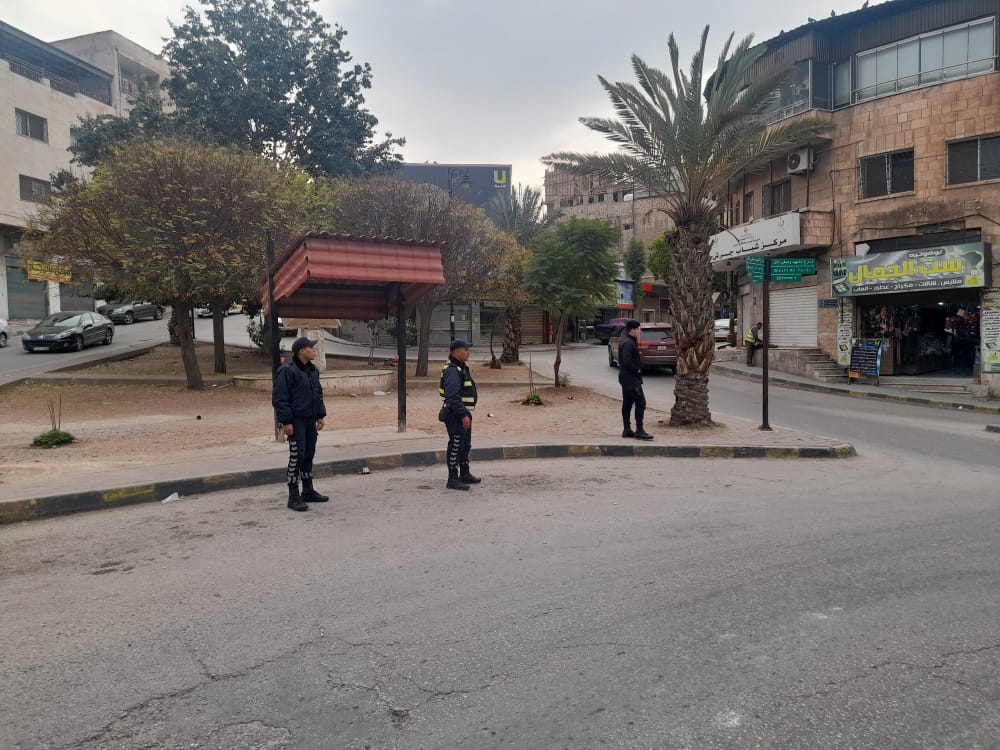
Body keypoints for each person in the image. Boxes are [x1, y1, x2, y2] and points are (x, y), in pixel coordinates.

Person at [272, 336, 328, 512]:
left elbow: (318, 393)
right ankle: (293, 496)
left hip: (310, 419)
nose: (314, 350)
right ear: (302, 350)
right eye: (311, 347)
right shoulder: (287, 371)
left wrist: (320, 415)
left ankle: (308, 490)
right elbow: (280, 398)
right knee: (297, 456)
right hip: (295, 421)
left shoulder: (313, 370)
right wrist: (286, 421)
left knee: (309, 454)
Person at [439, 339, 479, 490]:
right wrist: (463, 415)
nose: (468, 352)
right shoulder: (452, 370)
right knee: (456, 445)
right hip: (455, 414)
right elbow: (452, 396)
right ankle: (452, 478)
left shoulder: (460, 367)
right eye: (465, 349)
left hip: (462, 413)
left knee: (465, 444)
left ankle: (464, 473)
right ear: (456, 352)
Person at [618, 320, 654, 440]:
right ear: (632, 330)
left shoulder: (627, 340)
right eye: (638, 329)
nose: (639, 331)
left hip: (626, 377)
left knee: (628, 403)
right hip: (631, 378)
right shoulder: (628, 343)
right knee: (640, 402)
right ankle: (639, 430)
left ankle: (627, 429)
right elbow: (627, 361)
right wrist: (637, 370)